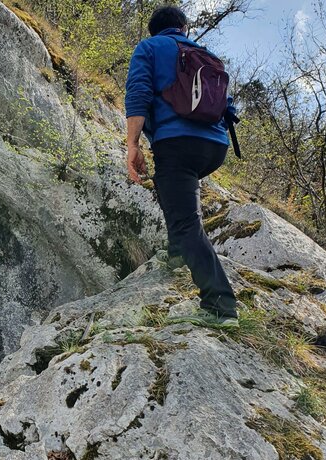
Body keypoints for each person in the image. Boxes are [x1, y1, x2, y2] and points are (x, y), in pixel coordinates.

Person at [125, 5, 239, 327]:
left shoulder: (149, 47)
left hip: (177, 143)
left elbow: (138, 94)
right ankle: (177, 251)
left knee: (186, 221)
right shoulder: (208, 54)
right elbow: (227, 106)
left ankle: (220, 305)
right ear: (183, 28)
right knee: (170, 186)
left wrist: (133, 144)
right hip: (216, 148)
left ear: (154, 29)